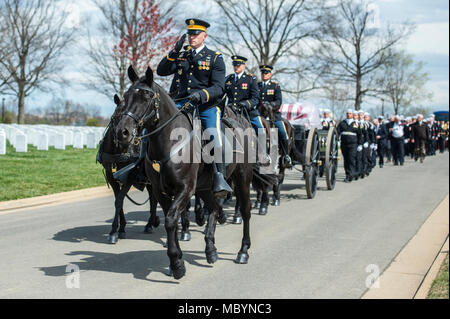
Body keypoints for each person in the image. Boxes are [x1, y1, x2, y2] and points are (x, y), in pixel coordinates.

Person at [156, 18, 232, 197]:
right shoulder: (181, 55)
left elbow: (219, 87)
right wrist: (173, 51)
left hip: (206, 106)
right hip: (181, 103)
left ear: (204, 36)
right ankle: (141, 170)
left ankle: (219, 177)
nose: (192, 37)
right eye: (189, 34)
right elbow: (161, 71)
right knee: (155, 127)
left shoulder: (214, 58)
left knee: (214, 135)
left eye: (195, 34)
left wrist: (201, 95)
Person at [258, 64, 291, 166]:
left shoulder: (275, 86)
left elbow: (278, 100)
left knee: (283, 132)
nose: (264, 75)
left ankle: (286, 155)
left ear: (270, 74)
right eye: (263, 73)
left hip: (274, 115)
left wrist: (271, 105)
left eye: (266, 73)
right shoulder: (257, 86)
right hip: (260, 115)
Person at [337, 109, 360, 182]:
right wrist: (337, 140)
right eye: (347, 113)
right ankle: (348, 174)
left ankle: (350, 174)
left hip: (353, 144)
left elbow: (360, 134)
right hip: (344, 143)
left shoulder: (356, 123)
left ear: (352, 115)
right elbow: (337, 132)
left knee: (351, 159)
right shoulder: (342, 123)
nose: (348, 115)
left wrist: (360, 144)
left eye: (350, 113)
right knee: (346, 160)